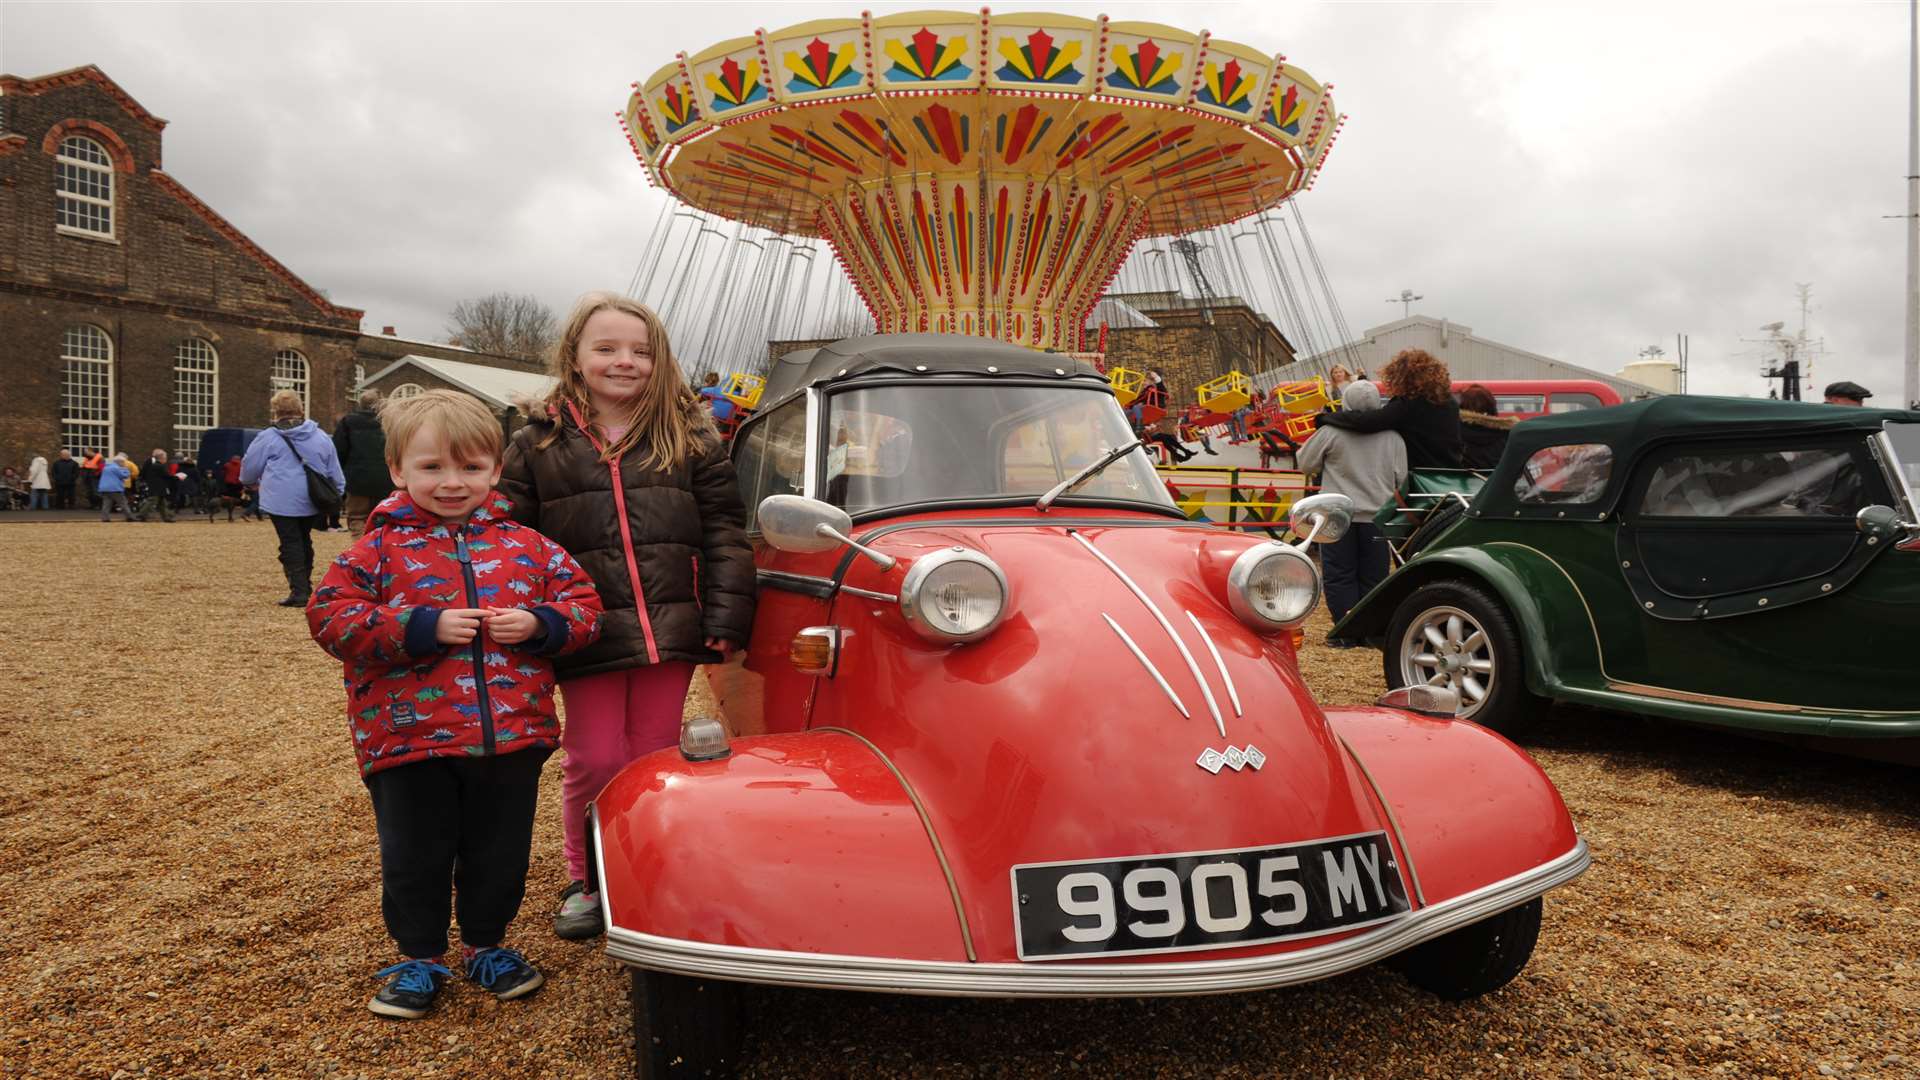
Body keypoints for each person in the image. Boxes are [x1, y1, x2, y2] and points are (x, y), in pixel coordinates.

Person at [307, 389, 604, 1020]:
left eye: (470, 468)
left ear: (495, 471)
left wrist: (541, 622)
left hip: (511, 737)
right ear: (397, 470)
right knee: (416, 852)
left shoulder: (530, 546)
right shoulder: (375, 551)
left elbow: (585, 609)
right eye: (432, 467)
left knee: (499, 852)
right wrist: (420, 628)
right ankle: (419, 956)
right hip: (409, 738)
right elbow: (330, 618)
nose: (451, 482)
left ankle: (485, 945)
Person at [499, 291, 755, 940]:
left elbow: (724, 530)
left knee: (655, 753)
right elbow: (509, 537)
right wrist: (531, 617)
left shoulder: (689, 434)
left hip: (673, 621)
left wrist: (725, 613)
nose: (625, 362)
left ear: (660, 360)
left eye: (641, 351)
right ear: (575, 358)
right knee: (591, 755)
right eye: (607, 349)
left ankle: (648, 868)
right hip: (584, 627)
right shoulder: (537, 443)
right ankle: (589, 878)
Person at [1295, 381, 1407, 635]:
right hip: (1377, 516)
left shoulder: (1331, 432)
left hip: (1337, 515)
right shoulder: (1393, 437)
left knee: (1338, 574)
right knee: (1374, 577)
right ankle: (1369, 629)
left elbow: (1305, 463)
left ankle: (1345, 630)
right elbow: (1402, 479)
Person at [242, 389, 347, 606]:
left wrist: (249, 482)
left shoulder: (268, 437)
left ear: (276, 412)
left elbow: (250, 468)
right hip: (312, 497)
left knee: (289, 542)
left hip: (280, 500)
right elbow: (334, 470)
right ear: (300, 409)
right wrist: (337, 492)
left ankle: (299, 590)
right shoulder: (320, 436)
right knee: (304, 539)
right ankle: (305, 585)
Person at [1315, 348, 1463, 468]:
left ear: (1403, 377)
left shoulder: (1410, 404)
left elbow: (1367, 421)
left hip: (1423, 475)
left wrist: (1326, 418)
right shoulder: (1449, 402)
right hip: (1451, 472)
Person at [333, 389, 394, 536]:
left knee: (357, 518)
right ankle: (381, 549)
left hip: (357, 480)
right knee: (383, 517)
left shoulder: (348, 422)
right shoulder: (389, 422)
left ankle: (362, 550)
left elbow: (338, 451)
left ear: (360, 404)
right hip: (386, 479)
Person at [1456, 385, 1517, 470]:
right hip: (1499, 483)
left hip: (1462, 482)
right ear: (1492, 405)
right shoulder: (1510, 435)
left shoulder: (1453, 432)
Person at [133, 448, 177, 523]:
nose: (166, 459)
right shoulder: (160, 466)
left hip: (155, 485)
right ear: (162, 458)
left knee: (161, 502)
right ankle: (141, 515)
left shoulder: (154, 465)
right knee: (152, 501)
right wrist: (178, 477)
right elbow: (167, 476)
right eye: (165, 458)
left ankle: (166, 517)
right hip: (158, 486)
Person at [97, 454, 133, 521]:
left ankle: (105, 518)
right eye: (123, 462)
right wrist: (126, 470)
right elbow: (124, 475)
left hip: (104, 488)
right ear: (119, 462)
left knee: (106, 504)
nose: (124, 463)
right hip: (114, 489)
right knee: (123, 503)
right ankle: (129, 517)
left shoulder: (106, 467)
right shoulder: (116, 468)